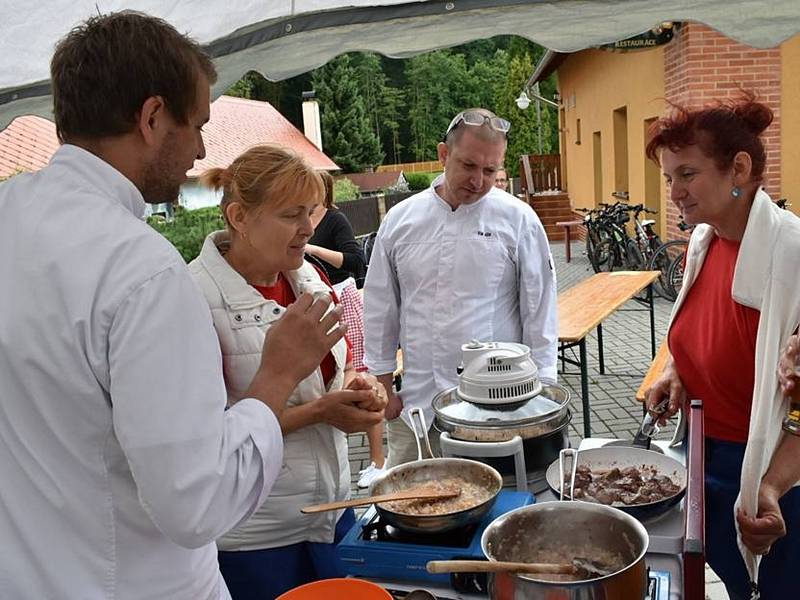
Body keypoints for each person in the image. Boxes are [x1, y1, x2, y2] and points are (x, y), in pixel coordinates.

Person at [0, 12, 347, 600]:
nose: (203, 148)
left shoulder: (11, 215)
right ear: (153, 117)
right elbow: (196, 502)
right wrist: (277, 375)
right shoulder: (142, 270)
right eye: (198, 124)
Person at [189, 145, 387, 600]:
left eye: (311, 213)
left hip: (330, 511)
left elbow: (342, 370)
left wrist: (361, 388)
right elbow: (206, 437)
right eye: (290, 215)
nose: (308, 229)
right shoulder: (193, 298)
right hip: (256, 535)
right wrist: (321, 412)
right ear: (240, 217)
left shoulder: (308, 279)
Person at [644, 92, 800, 600]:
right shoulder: (703, 243)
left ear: (738, 168)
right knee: (737, 585)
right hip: (704, 457)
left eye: (687, 174)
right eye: (669, 178)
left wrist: (771, 485)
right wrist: (676, 371)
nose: (674, 193)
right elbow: (703, 336)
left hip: (775, 479)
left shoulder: (792, 257)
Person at [363, 108, 558, 467]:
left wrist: (542, 392)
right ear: (443, 154)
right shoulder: (401, 220)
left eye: (490, 170)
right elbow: (380, 305)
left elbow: (540, 309)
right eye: (469, 166)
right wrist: (382, 383)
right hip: (416, 406)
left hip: (496, 406)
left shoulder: (518, 220)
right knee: (412, 503)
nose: (479, 180)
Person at [308, 171, 387, 488]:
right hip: (313, 303)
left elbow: (355, 261)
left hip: (341, 298)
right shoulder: (299, 217)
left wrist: (313, 251)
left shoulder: (334, 219)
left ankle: (377, 460)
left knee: (359, 379)